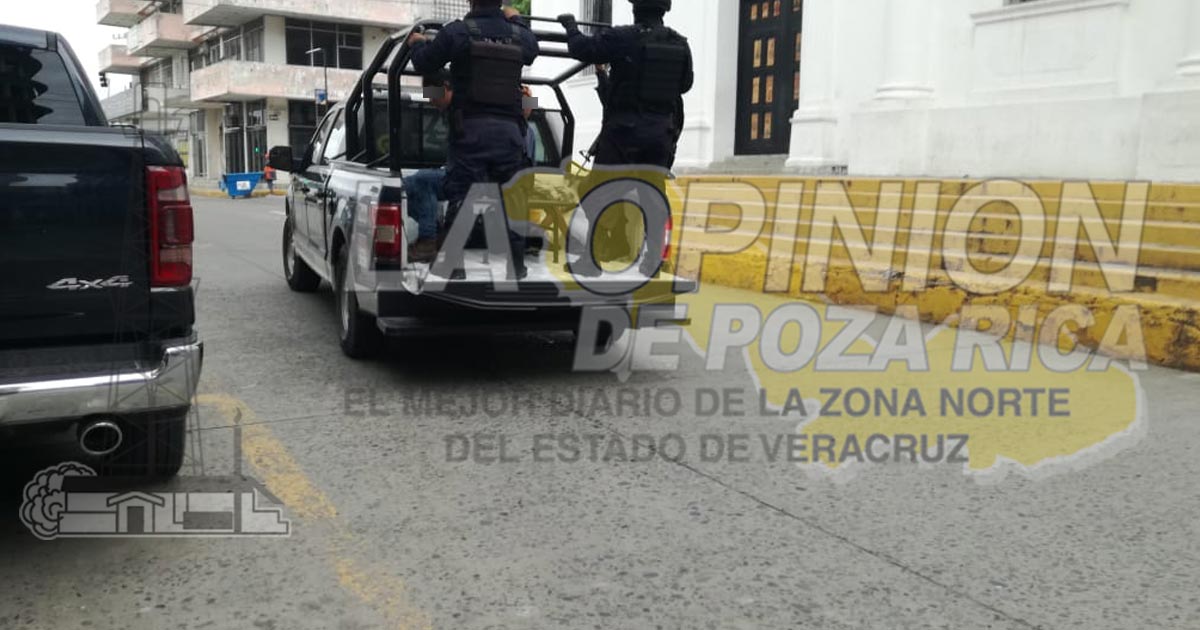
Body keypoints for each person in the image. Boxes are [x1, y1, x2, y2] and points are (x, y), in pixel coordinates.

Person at [408, 0, 539, 279]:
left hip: (471, 136)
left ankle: (452, 265)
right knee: (512, 202)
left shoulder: (457, 33)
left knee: (459, 199)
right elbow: (533, 50)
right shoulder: (519, 36)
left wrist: (417, 44)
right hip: (509, 138)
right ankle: (516, 267)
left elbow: (423, 64)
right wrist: (516, 20)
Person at [558, 0, 694, 169]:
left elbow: (580, 48)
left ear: (635, 9)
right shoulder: (679, 43)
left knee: (604, 186)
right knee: (651, 186)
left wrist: (570, 25)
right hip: (659, 139)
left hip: (622, 138)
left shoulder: (623, 37)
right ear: (664, 10)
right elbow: (685, 85)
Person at [403, 72, 454, 263]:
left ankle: (428, 240)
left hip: (471, 173)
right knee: (407, 186)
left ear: (446, 87)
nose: (431, 101)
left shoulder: (463, 110)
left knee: (419, 181)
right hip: (461, 169)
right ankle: (434, 234)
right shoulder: (452, 112)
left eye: (433, 95)